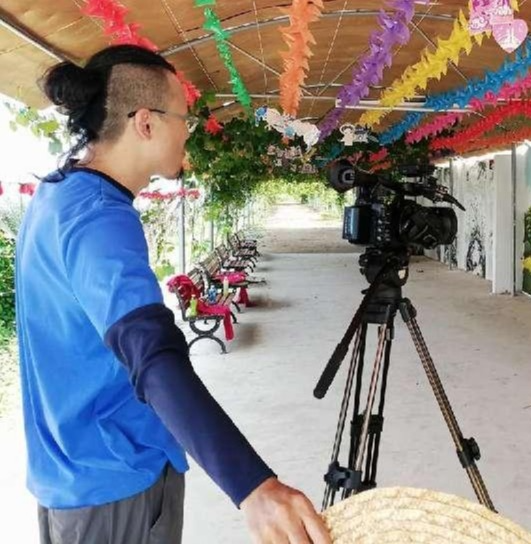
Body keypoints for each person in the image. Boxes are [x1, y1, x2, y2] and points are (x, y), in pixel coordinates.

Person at [15, 45, 331, 544]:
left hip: (72, 474)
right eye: (184, 118)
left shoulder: (57, 196)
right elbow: (152, 353)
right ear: (145, 123)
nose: (189, 132)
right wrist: (253, 486)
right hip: (116, 478)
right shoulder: (99, 218)